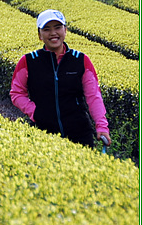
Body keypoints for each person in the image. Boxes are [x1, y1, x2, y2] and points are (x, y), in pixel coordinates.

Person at [10, 9, 111, 148]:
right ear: (40, 35)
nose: (53, 33)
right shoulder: (28, 61)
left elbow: (93, 96)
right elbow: (16, 93)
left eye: (58, 27)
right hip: (43, 132)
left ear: (65, 30)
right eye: (46, 29)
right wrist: (35, 112)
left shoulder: (80, 60)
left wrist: (102, 126)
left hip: (79, 132)